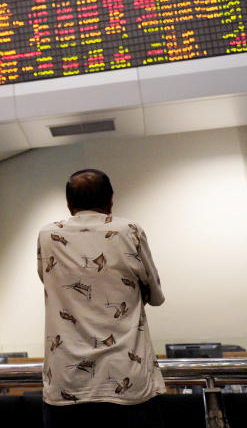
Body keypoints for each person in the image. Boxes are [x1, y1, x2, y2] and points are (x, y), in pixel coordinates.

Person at [37, 169, 165, 428]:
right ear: (110, 202)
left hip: (67, 383)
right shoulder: (129, 230)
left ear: (68, 204)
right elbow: (156, 295)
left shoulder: (48, 235)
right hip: (127, 379)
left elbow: (47, 278)